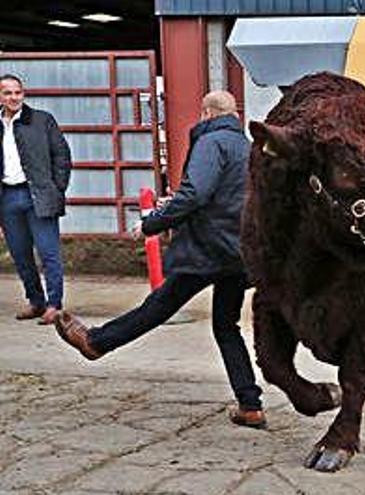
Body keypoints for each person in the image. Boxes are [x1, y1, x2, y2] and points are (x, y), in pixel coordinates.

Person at [53, 90, 267, 429]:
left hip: (206, 250)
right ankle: (250, 404)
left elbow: (196, 192)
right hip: (239, 250)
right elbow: (232, 194)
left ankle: (96, 342)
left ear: (206, 112)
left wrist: (153, 223)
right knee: (226, 326)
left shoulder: (212, 144)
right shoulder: (249, 147)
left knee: (158, 306)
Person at [0, 73, 72, 325]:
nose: (14, 97)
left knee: (48, 252)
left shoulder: (42, 120)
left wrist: (56, 189)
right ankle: (36, 302)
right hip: (7, 197)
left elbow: (61, 156)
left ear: (24, 94)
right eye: (8, 93)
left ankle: (54, 304)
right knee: (20, 255)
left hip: (38, 195)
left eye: (18, 92)